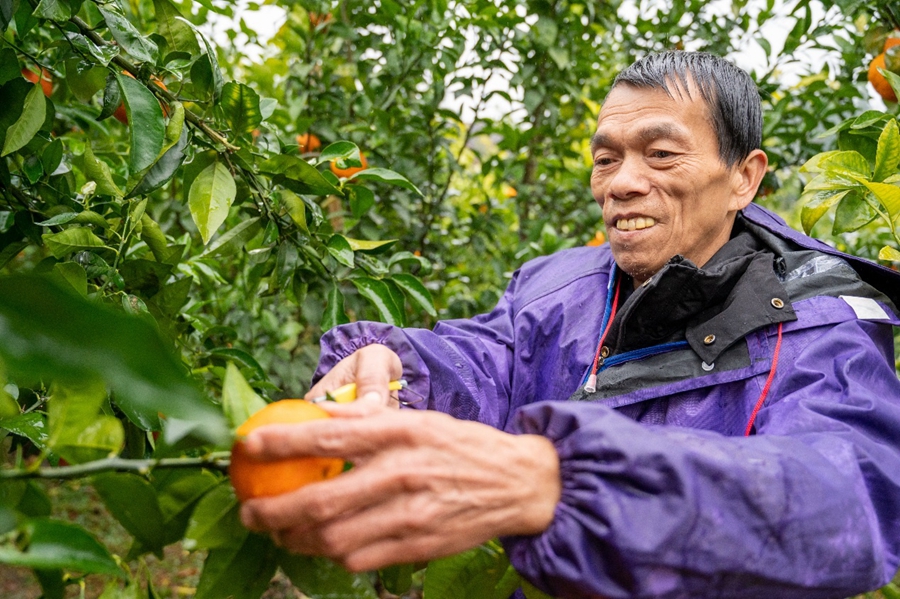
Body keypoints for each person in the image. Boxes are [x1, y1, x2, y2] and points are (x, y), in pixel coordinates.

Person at [240, 51, 900, 598]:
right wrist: (395, 365)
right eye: (606, 158)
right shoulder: (560, 283)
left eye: (661, 154)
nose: (620, 183)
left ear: (743, 178)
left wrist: (567, 482)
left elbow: (850, 498)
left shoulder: (820, 322)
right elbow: (488, 360)